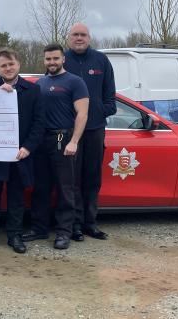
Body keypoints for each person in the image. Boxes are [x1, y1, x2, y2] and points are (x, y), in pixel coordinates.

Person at [22, 44, 88, 250]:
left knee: (64, 187)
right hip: (41, 140)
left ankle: (63, 232)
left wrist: (74, 141)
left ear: (63, 59)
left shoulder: (75, 82)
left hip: (62, 138)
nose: (52, 62)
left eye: (55, 59)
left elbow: (83, 114)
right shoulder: (39, 83)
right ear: (44, 60)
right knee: (41, 187)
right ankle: (39, 228)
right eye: (48, 59)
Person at [0, 48, 43, 254]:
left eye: (11, 64)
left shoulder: (33, 90)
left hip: (20, 155)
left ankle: (15, 235)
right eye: (3, 65)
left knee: (16, 198)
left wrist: (27, 148)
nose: (8, 68)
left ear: (18, 64)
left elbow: (38, 123)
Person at [64, 23, 116, 241]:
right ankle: (74, 225)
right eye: (75, 35)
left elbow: (110, 99)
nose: (79, 38)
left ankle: (90, 223)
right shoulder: (62, 60)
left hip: (95, 129)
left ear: (89, 38)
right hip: (69, 132)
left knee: (92, 178)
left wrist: (97, 110)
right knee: (72, 180)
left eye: (83, 35)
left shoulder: (101, 61)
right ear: (68, 38)